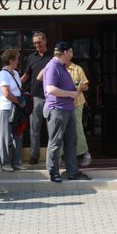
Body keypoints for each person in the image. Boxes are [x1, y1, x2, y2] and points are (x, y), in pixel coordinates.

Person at [42, 41, 91, 183]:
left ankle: (72, 172)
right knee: (56, 141)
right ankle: (53, 172)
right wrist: (70, 94)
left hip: (68, 109)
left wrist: (74, 91)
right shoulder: (53, 66)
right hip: (57, 109)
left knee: (71, 141)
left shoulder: (62, 66)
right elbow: (50, 89)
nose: (72, 54)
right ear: (65, 52)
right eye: (70, 52)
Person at [20, 31, 53, 165]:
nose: (37, 45)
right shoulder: (31, 57)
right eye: (34, 43)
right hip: (36, 98)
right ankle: (34, 156)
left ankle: (54, 157)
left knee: (52, 130)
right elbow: (26, 75)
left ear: (45, 41)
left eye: (39, 42)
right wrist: (15, 85)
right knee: (34, 129)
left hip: (52, 98)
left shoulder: (53, 57)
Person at [0, 49, 25, 172]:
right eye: (17, 59)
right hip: (5, 108)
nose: (18, 61)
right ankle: (5, 163)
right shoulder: (2, 74)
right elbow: (6, 93)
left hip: (16, 108)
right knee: (5, 136)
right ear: (11, 60)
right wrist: (19, 101)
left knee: (18, 134)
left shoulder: (16, 73)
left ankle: (17, 162)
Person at [66, 55, 92, 166]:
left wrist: (79, 88)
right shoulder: (57, 68)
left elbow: (86, 86)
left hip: (77, 103)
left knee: (77, 129)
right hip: (62, 104)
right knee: (62, 129)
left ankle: (85, 154)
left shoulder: (77, 69)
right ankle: (61, 156)